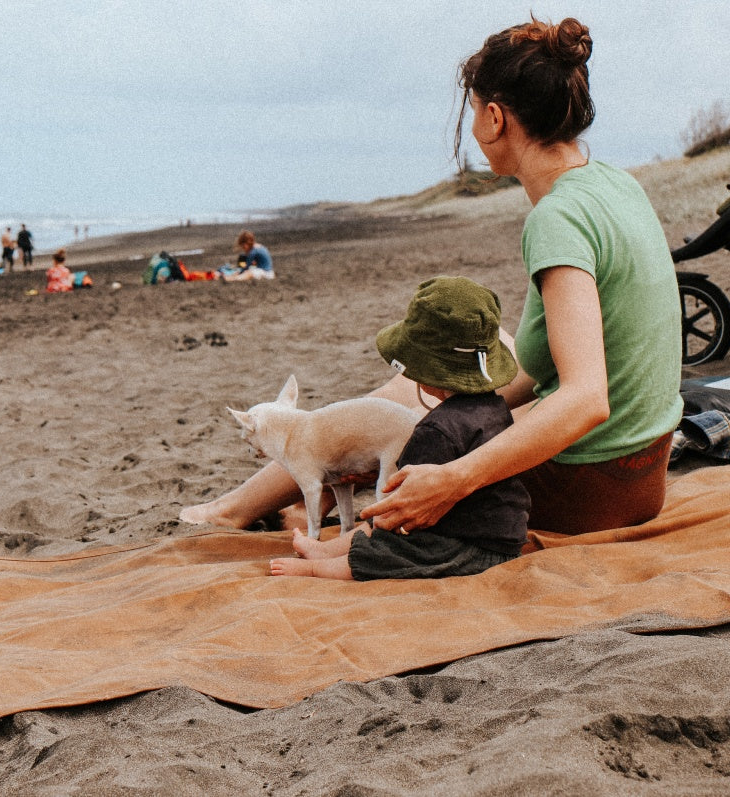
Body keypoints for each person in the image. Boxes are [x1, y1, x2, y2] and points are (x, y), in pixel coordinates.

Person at [183, 16, 681, 537]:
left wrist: (453, 480)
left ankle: (239, 507)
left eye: (472, 113)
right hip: (641, 475)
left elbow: (586, 399)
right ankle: (292, 494)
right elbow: (575, 362)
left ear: (493, 117)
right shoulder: (615, 185)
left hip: (592, 490)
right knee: (435, 376)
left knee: (410, 398)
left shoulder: (557, 219)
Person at [271, 276, 529, 580]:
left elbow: (404, 507)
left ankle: (318, 567)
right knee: (381, 532)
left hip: (464, 546)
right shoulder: (496, 409)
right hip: (506, 537)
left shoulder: (436, 432)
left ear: (426, 376)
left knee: (384, 549)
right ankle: (326, 549)